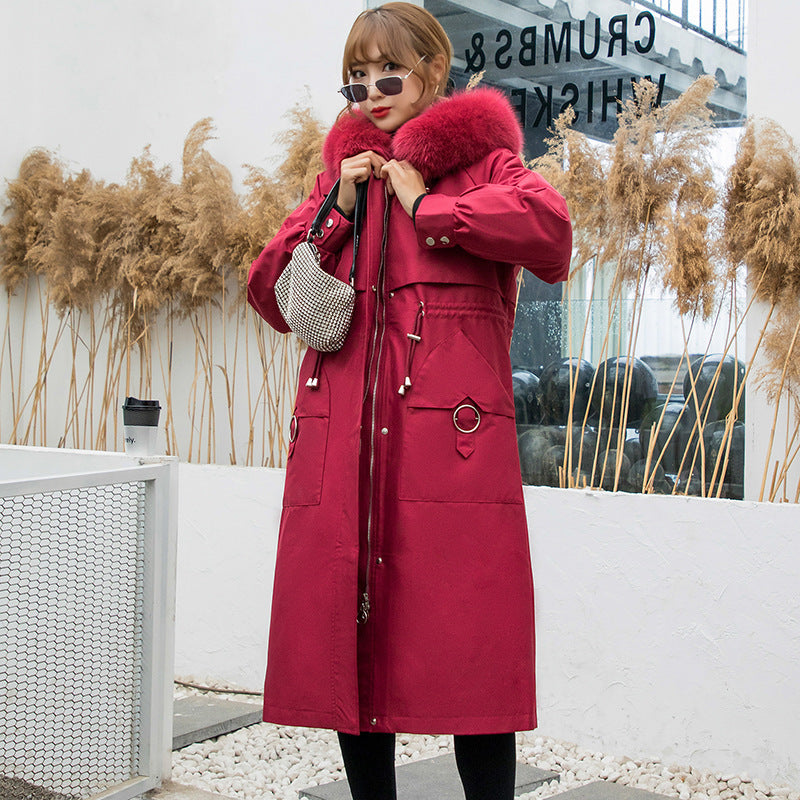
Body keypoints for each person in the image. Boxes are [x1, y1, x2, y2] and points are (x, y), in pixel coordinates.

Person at [247, 4, 572, 799]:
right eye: (354, 79)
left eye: (387, 74)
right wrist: (338, 215)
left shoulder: (486, 166)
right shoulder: (340, 184)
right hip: (347, 446)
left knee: (472, 653)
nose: (370, 92)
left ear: (432, 72)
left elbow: (552, 235)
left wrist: (430, 209)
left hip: (450, 458)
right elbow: (267, 288)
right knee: (351, 647)